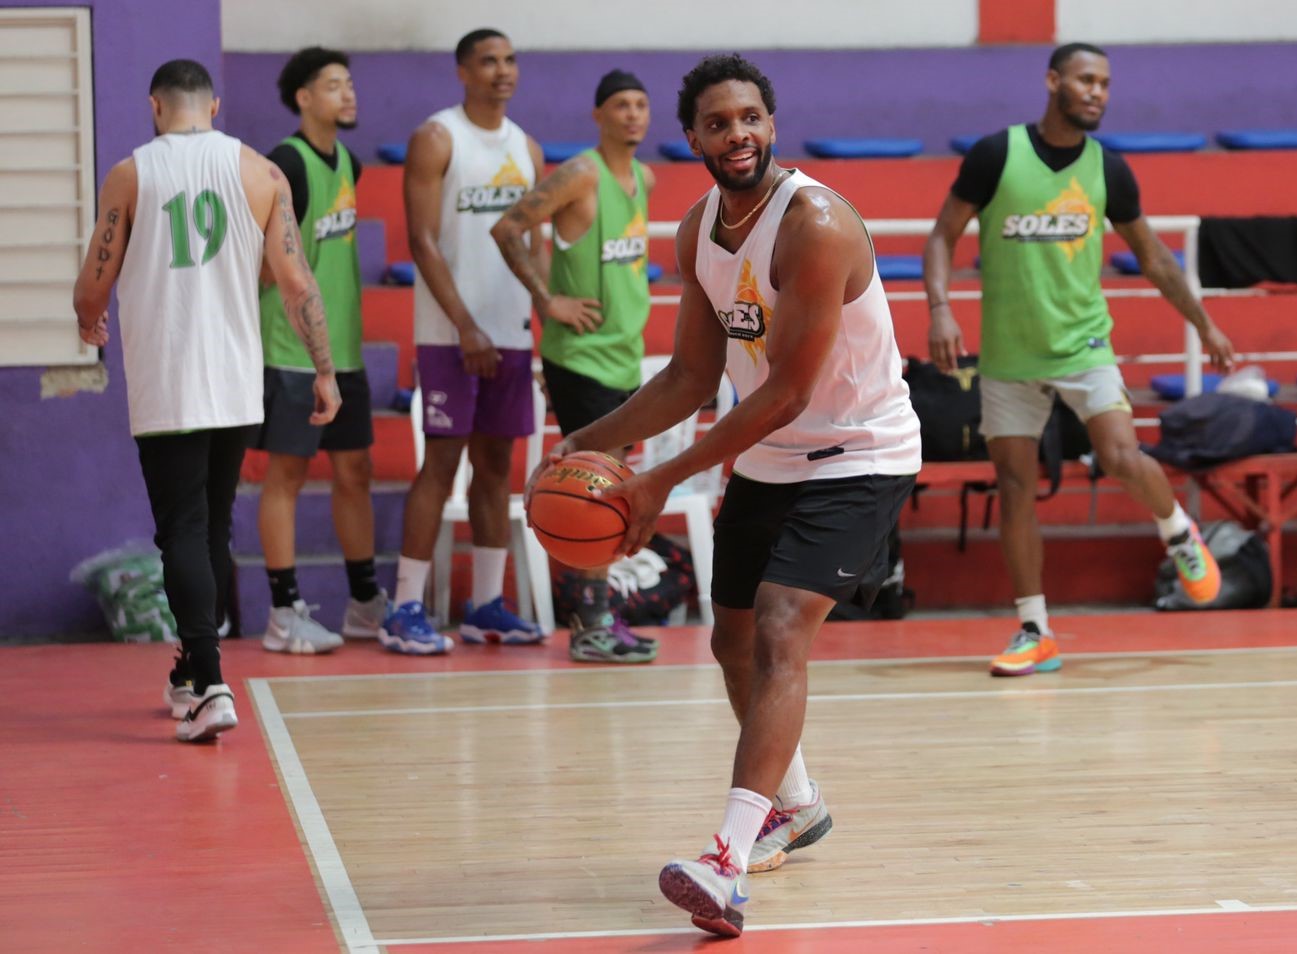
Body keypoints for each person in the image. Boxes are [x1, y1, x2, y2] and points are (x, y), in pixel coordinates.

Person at [526, 54, 921, 937]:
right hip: (773, 454)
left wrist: (658, 481)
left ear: (771, 126)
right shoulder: (697, 227)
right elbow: (691, 375)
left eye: (749, 117)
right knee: (730, 639)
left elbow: (781, 388)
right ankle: (798, 803)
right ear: (694, 137)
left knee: (782, 626)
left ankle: (725, 859)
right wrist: (581, 447)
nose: (735, 134)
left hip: (859, 452)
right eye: (716, 122)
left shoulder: (813, 224)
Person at [923, 42, 1236, 678]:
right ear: (1052, 81)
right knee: (1014, 488)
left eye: (1105, 83)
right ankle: (1035, 630)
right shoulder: (996, 155)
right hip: (1009, 355)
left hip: (1084, 344)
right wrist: (939, 307)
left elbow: (1153, 256)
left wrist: (1203, 323)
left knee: (1121, 455)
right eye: (1086, 79)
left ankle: (1177, 529)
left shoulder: (1109, 169)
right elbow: (942, 235)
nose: (1097, 91)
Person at [72, 59, 340, 742]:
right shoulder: (262, 172)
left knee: (182, 531)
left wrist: (88, 320)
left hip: (168, 377)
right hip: (235, 378)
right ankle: (192, 670)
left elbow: (92, 282)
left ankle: (211, 683)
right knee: (212, 527)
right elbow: (297, 281)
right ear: (213, 107)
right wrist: (325, 369)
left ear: (156, 107)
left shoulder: (132, 173)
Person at [381, 28, 548, 655]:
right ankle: (403, 608)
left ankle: (485, 606)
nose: (502, 71)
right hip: (450, 334)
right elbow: (421, 240)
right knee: (443, 463)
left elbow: (534, 244)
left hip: (510, 333)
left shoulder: (526, 146)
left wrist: (538, 320)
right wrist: (465, 326)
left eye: (509, 60)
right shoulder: (437, 137)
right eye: (488, 61)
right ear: (462, 71)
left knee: (497, 467)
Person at [492, 69, 659, 664]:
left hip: (624, 357)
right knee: (597, 492)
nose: (633, 114)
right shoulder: (581, 173)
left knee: (616, 489)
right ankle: (590, 623)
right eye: (620, 104)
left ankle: (598, 615)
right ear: (598, 115)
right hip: (580, 357)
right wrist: (546, 300)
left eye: (641, 104)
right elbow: (508, 226)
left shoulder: (644, 178)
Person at [255, 46, 382, 655]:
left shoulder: (349, 164)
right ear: (304, 97)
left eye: (351, 84)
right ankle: (282, 611)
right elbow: (261, 265)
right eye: (334, 85)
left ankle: (364, 603)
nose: (348, 94)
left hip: (345, 351)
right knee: (287, 476)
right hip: (291, 350)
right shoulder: (286, 164)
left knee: (355, 471)